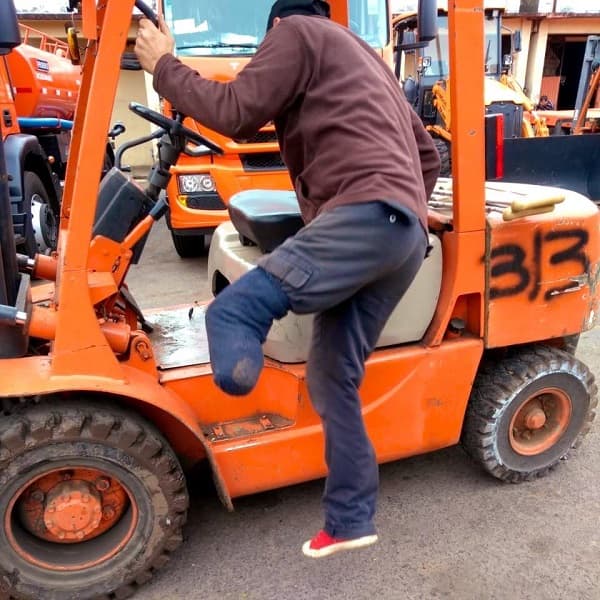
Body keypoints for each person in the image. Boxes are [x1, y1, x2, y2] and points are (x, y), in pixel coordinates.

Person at [135, 0, 440, 558]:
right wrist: (402, 214)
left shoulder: (296, 31)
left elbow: (234, 111)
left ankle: (238, 375)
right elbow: (426, 157)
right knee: (331, 377)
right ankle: (349, 520)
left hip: (364, 214)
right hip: (402, 237)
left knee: (235, 310)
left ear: (275, 24)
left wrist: (164, 66)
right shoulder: (367, 59)